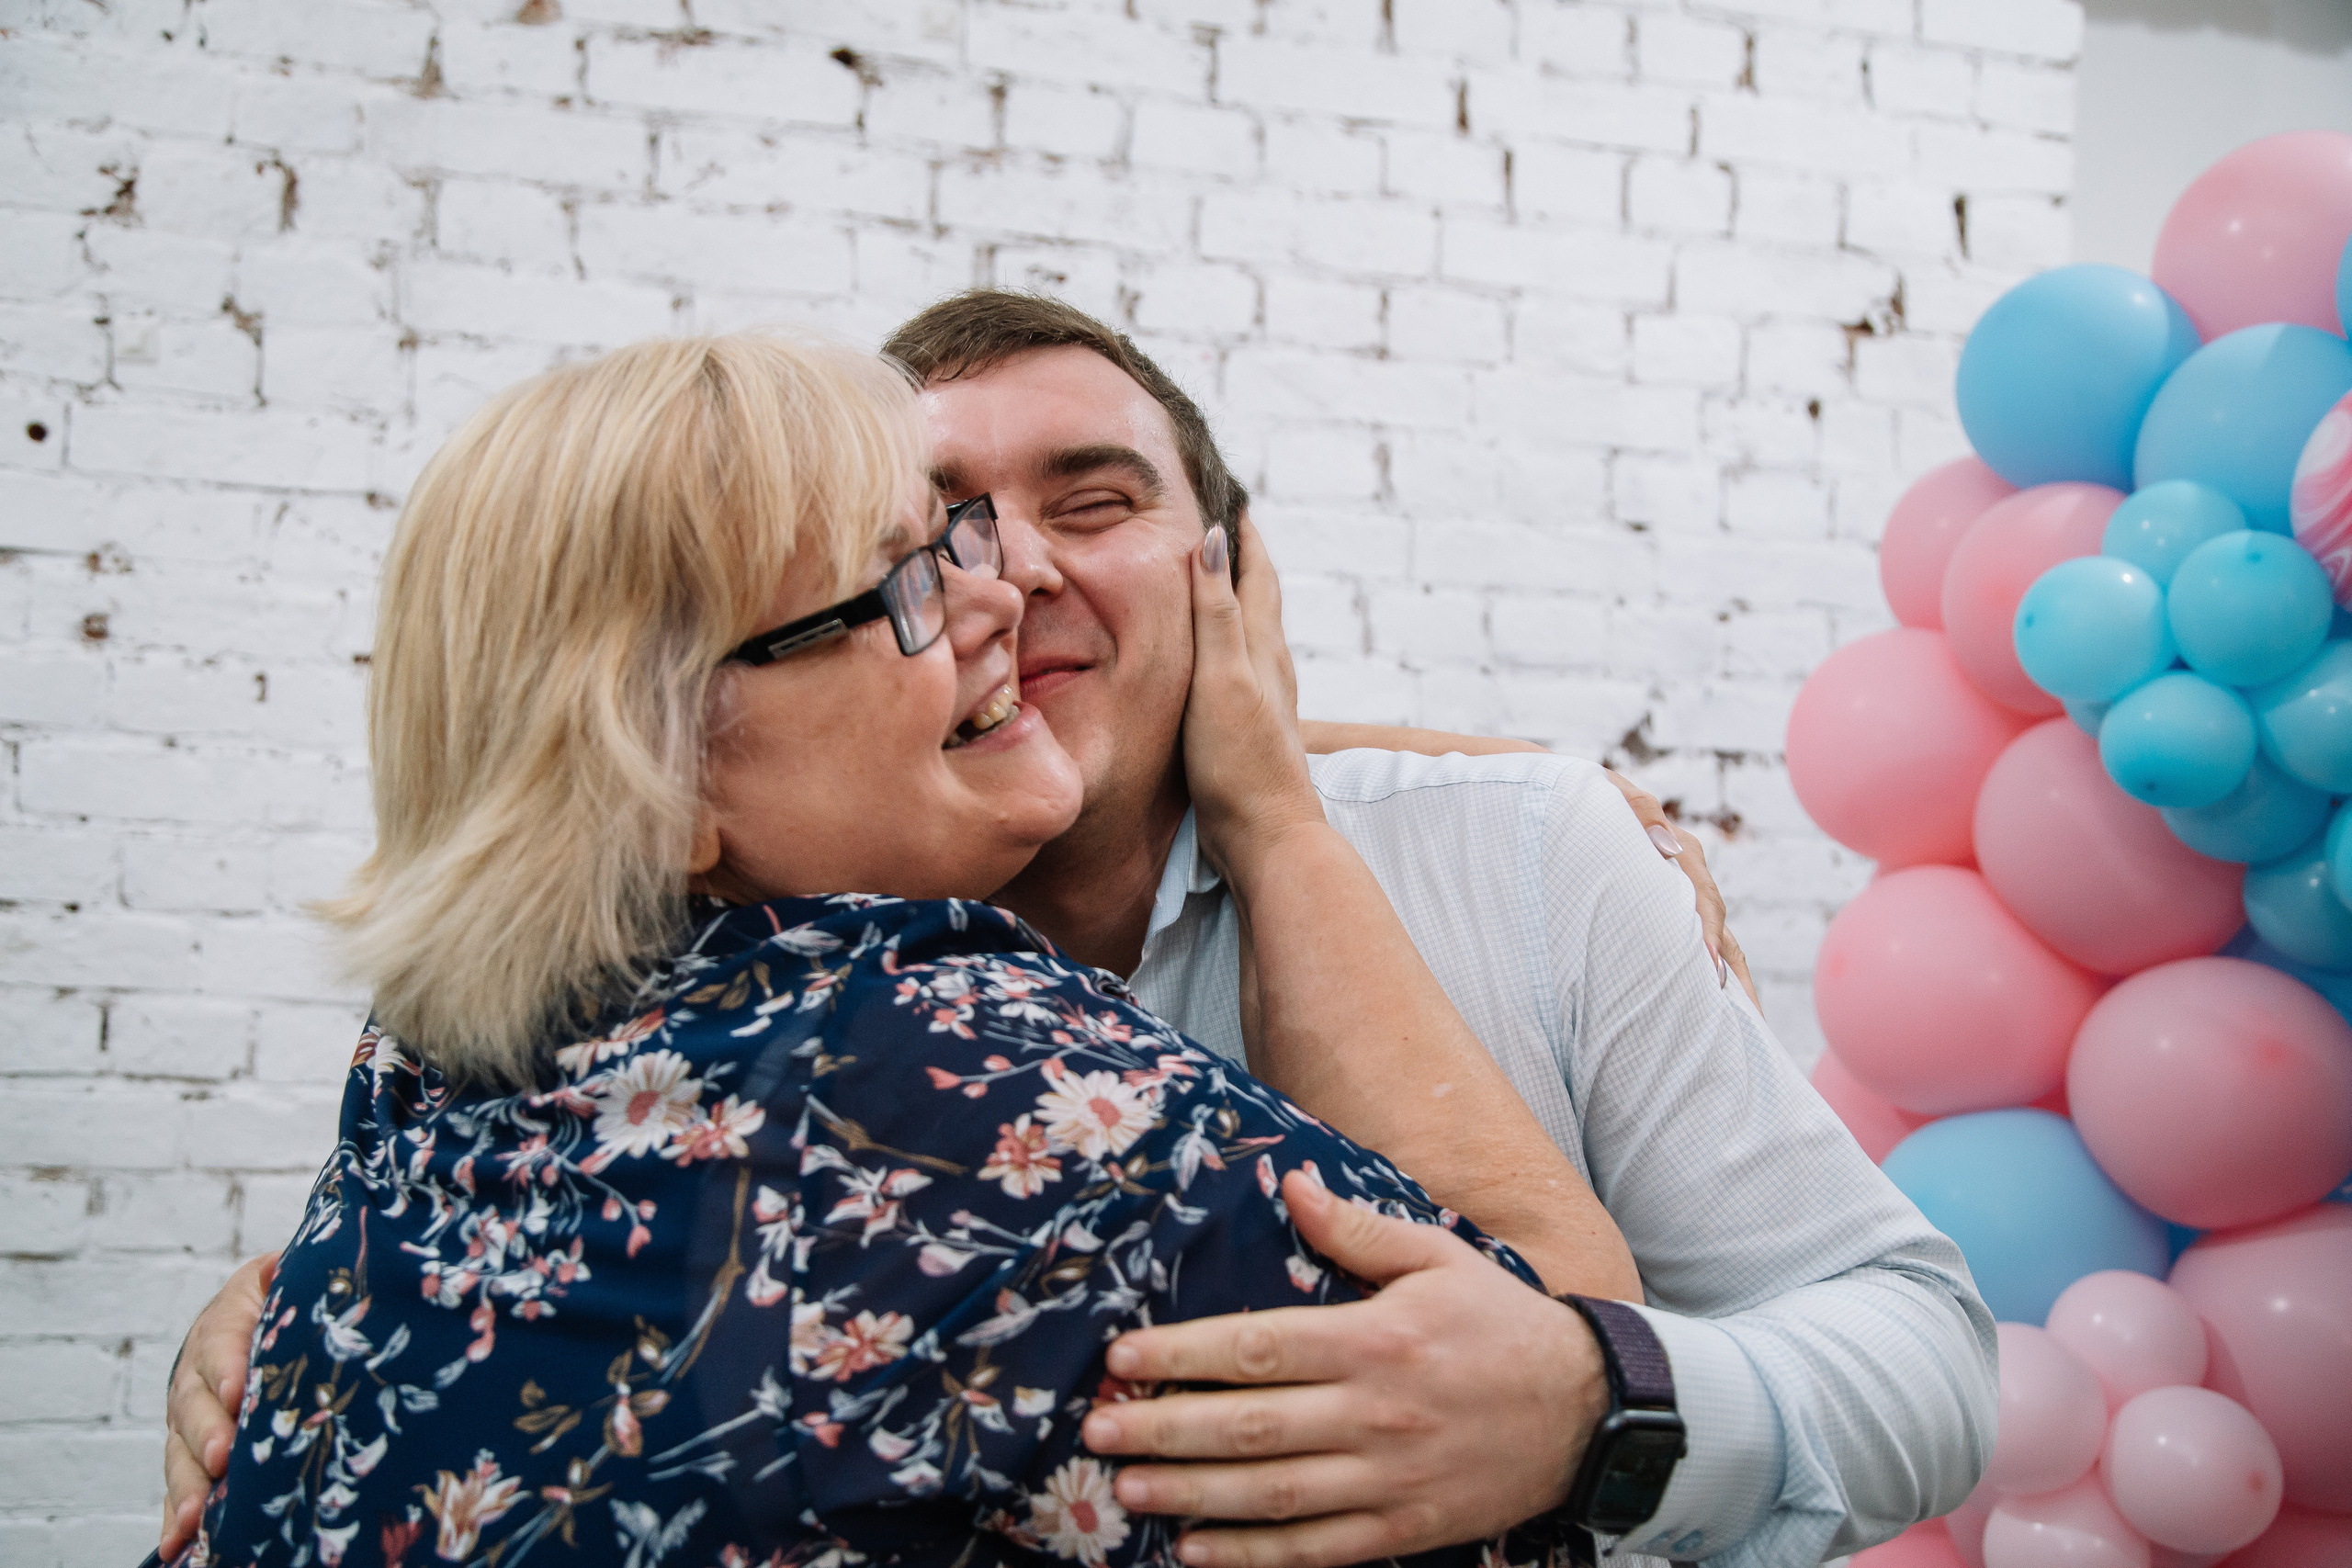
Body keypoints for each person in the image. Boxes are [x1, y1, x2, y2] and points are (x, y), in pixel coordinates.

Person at [166, 293, 1997, 1568]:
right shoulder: (880, 1011)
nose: (1003, 574)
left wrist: (1617, 1400)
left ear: (1230, 572)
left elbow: (1917, 1354)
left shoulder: (1519, 856)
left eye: (1090, 501)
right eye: (926, 540)